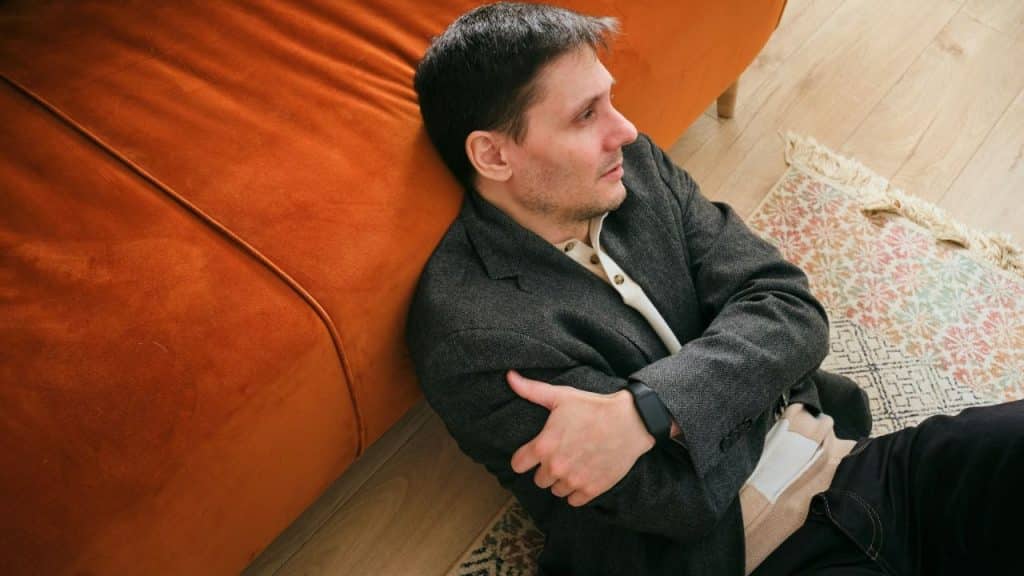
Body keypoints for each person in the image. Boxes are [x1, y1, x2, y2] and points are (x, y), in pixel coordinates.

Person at [406, 3, 1022, 575]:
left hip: (863, 470)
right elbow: (679, 501)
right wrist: (762, 376)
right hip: (751, 554)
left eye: (608, 100)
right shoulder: (473, 335)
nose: (624, 129)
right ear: (492, 155)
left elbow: (791, 307)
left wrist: (650, 412)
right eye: (585, 115)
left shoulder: (631, 167)